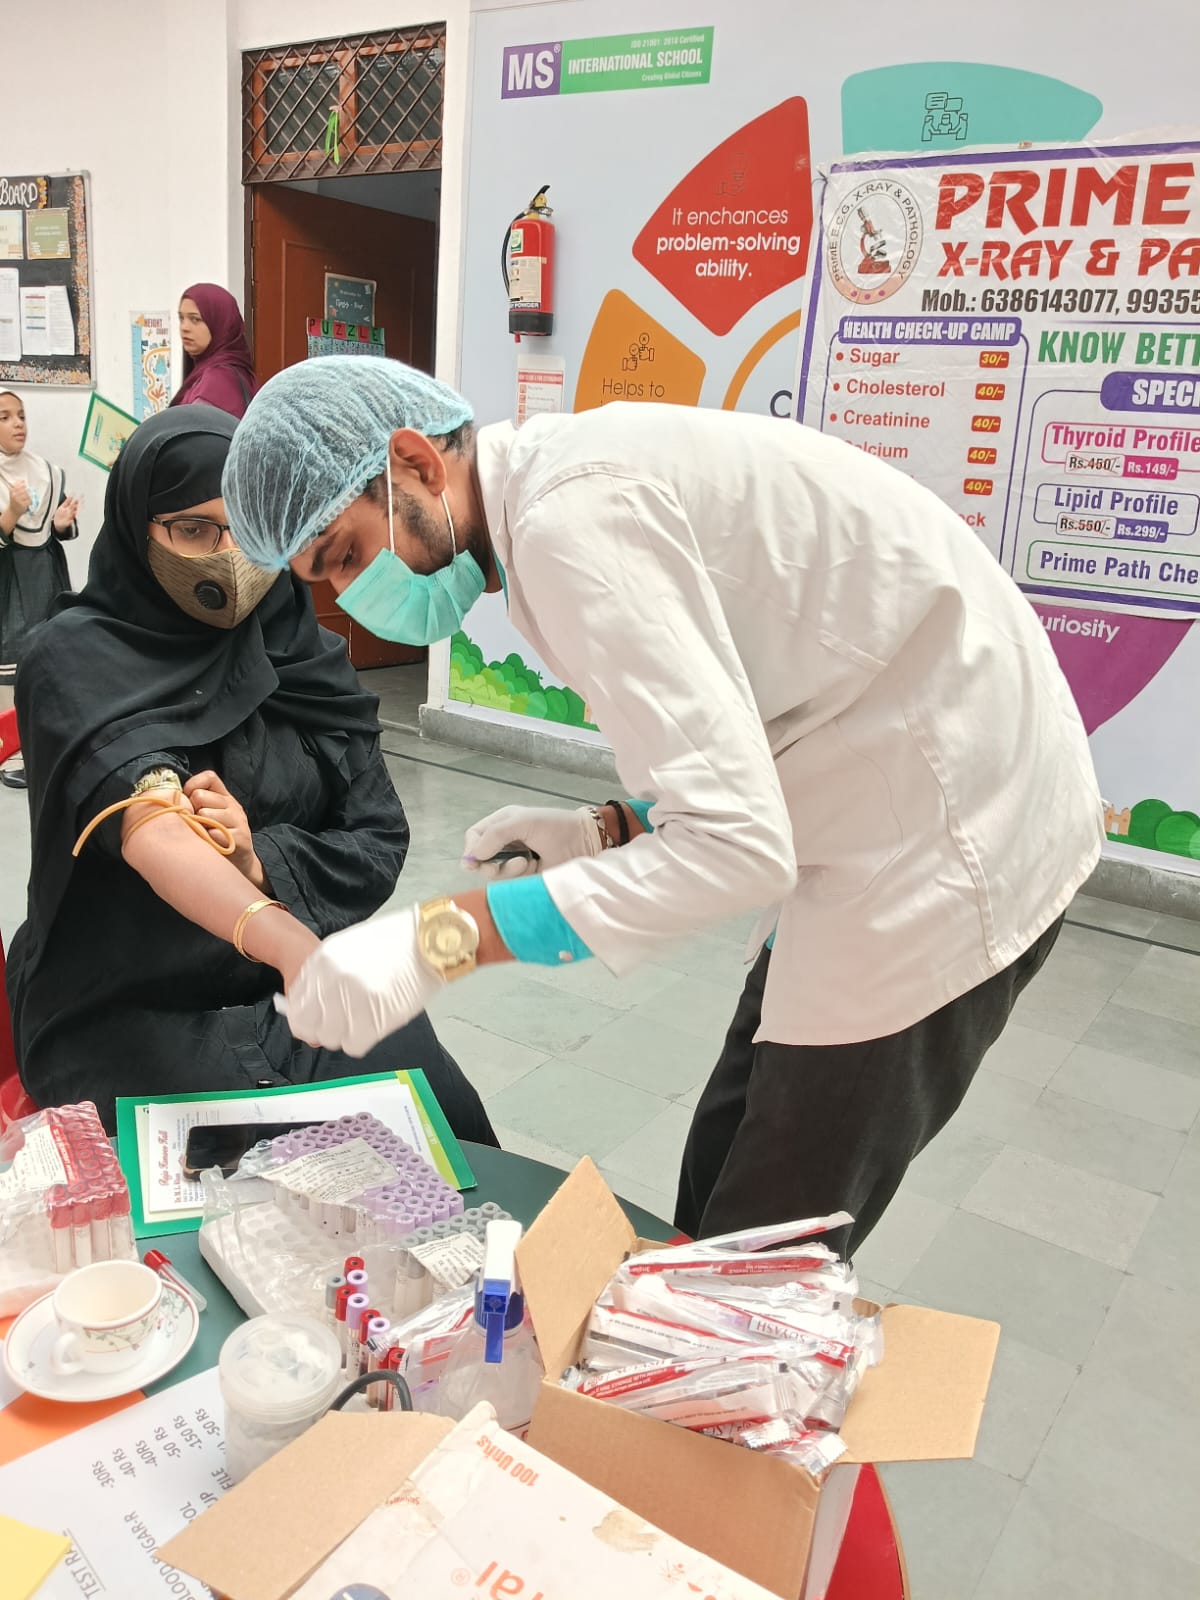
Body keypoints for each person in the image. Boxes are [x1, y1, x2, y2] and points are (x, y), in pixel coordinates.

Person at [222, 356, 1103, 1254]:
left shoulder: (571, 525)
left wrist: (435, 943)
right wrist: (607, 829)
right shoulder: (552, 500)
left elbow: (735, 851)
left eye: (349, 554)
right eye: (325, 578)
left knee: (763, 1249)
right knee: (719, 1172)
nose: (352, 594)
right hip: (870, 783)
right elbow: (753, 725)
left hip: (949, 835)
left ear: (413, 462)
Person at [6, 406, 495, 1143]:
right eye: (195, 530)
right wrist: (289, 944)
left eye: (252, 532)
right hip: (127, 1001)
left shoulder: (306, 659)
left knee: (438, 1116)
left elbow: (377, 835)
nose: (230, 557)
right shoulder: (75, 658)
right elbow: (152, 822)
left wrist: (259, 860)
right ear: (139, 530)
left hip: (284, 985)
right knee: (275, 1160)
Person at [0, 390, 81, 790]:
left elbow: (56, 532)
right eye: (4, 417)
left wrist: (62, 523)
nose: (18, 424)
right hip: (9, 586)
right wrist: (11, 513)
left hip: (46, 578)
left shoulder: (46, 471)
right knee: (12, 666)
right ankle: (11, 752)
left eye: (21, 415)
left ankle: (45, 749)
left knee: (51, 658)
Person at [171, 283, 260, 420]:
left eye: (195, 319)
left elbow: (197, 430)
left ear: (220, 324)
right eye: (181, 318)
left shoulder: (218, 381)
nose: (184, 327)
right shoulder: (223, 372)